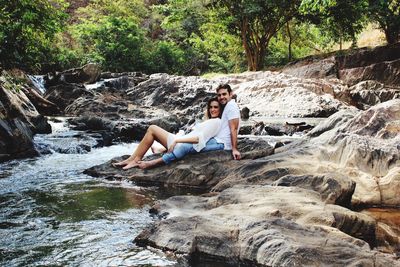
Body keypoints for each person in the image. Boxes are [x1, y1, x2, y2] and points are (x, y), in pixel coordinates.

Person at [113, 97, 223, 170]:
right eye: (211, 107)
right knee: (155, 139)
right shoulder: (212, 121)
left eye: (216, 107)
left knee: (152, 128)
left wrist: (177, 140)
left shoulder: (216, 121)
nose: (212, 109)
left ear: (220, 109)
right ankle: (134, 158)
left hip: (180, 145)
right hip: (181, 142)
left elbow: (199, 139)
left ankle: (135, 159)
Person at [214, 83, 241, 160]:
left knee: (188, 147)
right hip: (219, 141)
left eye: (224, 94)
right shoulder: (228, 105)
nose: (221, 97)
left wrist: (234, 149)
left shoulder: (231, 106)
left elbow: (234, 129)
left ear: (231, 94)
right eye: (219, 95)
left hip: (222, 144)